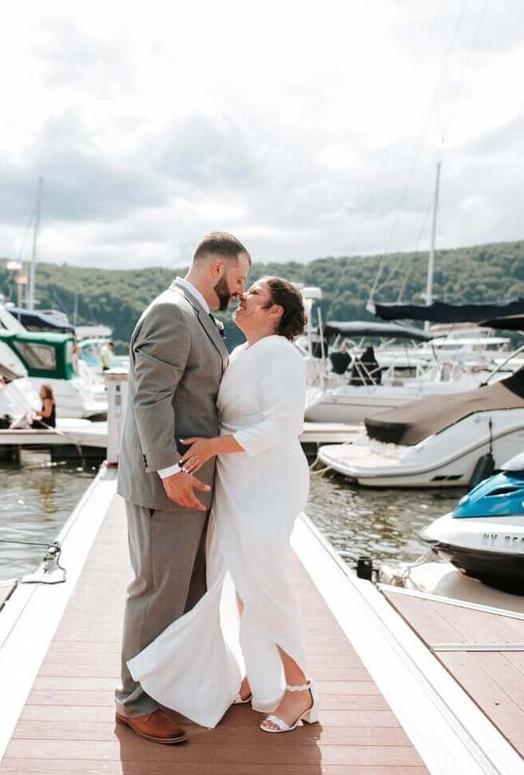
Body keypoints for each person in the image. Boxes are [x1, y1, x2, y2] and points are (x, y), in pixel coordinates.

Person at [127, 276, 317, 735]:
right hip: (237, 477)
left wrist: (214, 447)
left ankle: (299, 689)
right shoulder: (246, 352)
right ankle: (259, 673)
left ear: (275, 312)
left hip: (267, 478)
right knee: (244, 581)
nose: (241, 297)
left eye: (252, 294)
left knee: (265, 580)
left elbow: (285, 422)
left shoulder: (280, 352)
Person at [114, 232, 251, 745]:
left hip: (192, 482)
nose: (239, 293)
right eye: (237, 281)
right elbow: (149, 399)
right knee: (155, 593)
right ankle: (133, 703)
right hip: (166, 484)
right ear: (216, 269)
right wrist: (169, 471)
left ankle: (165, 684)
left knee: (186, 593)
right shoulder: (172, 312)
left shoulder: (196, 315)